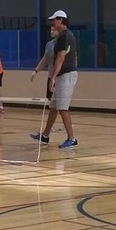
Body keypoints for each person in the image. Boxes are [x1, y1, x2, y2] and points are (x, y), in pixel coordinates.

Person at [30, 10, 79, 148]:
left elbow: (61, 58)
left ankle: (72, 139)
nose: (52, 23)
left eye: (54, 20)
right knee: (53, 107)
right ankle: (45, 135)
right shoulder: (62, 37)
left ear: (60, 21)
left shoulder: (65, 36)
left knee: (63, 108)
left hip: (65, 76)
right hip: (62, 75)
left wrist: (53, 77)